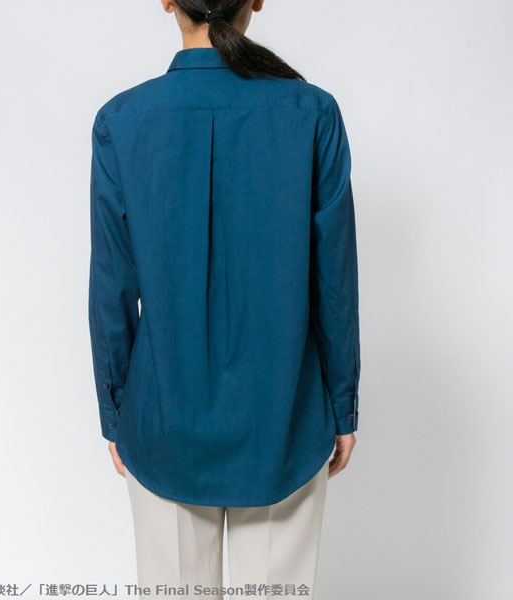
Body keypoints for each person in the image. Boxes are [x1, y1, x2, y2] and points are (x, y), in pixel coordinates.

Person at [88, 1, 361, 598]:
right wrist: (342, 407)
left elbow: (112, 285)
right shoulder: (312, 112)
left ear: (167, 0)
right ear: (255, 0)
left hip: (161, 422)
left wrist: (116, 413)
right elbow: (335, 282)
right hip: (284, 420)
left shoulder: (122, 121)